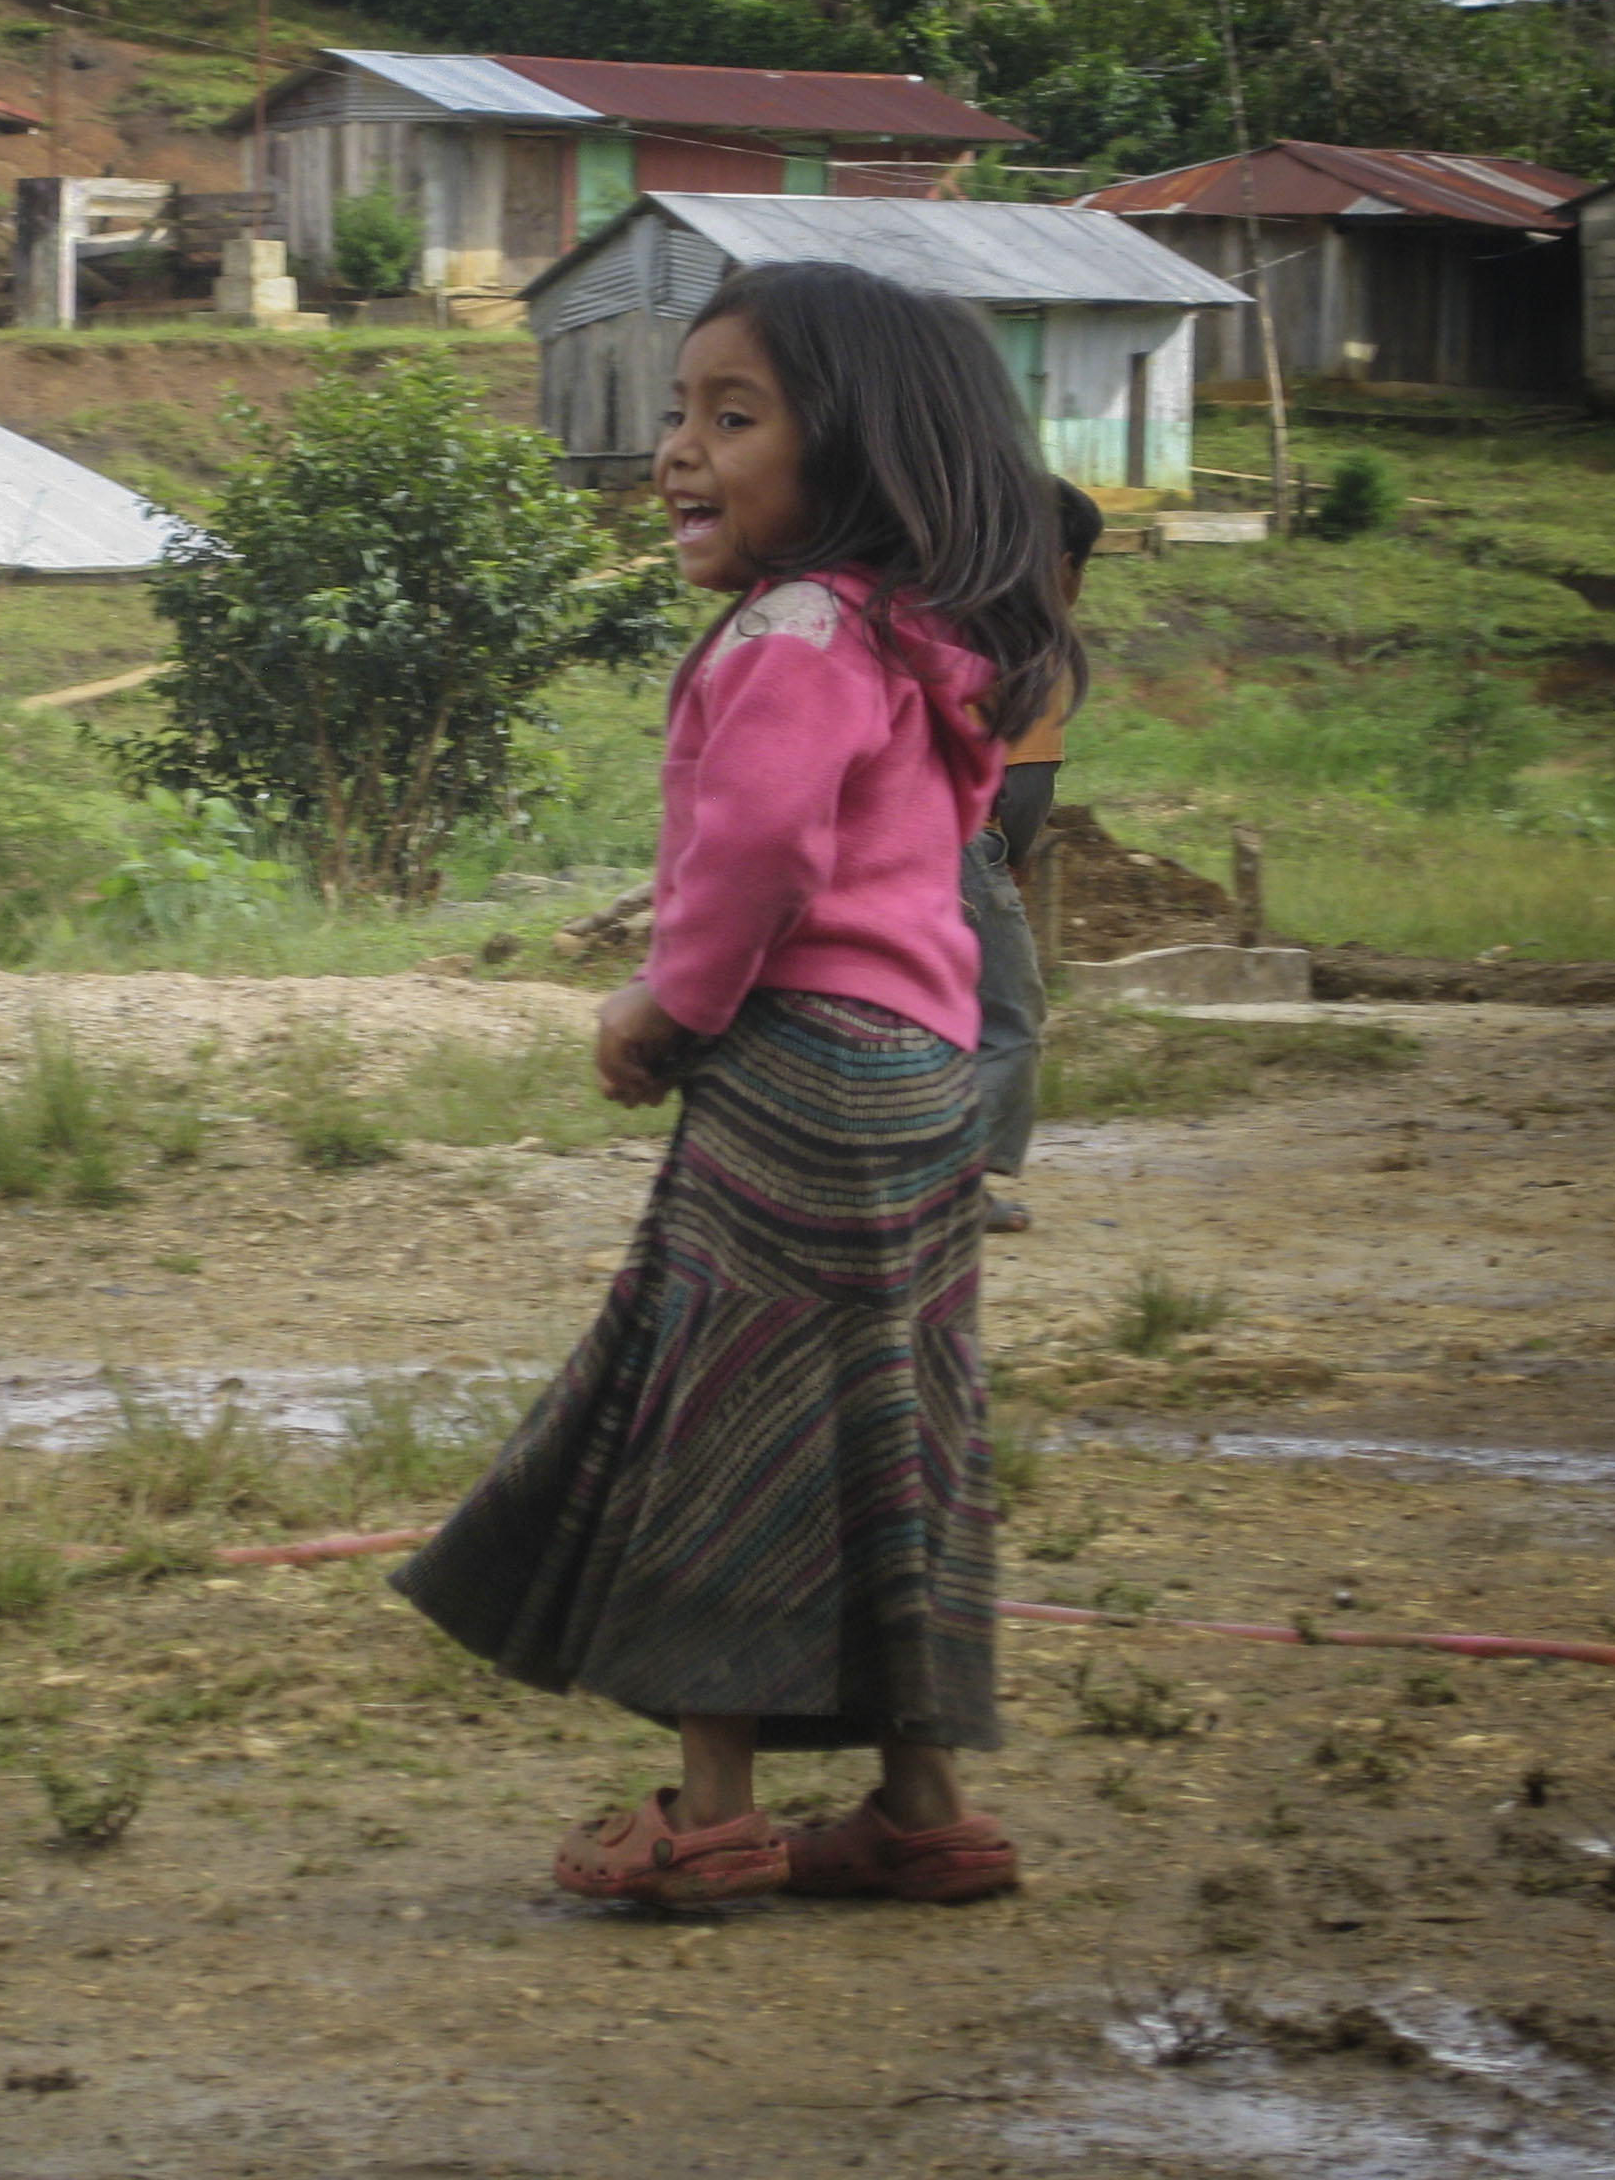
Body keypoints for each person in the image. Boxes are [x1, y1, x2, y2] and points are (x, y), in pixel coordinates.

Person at [391, 262, 1085, 1908]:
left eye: (731, 414)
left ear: (847, 451)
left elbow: (760, 849)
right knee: (892, 1419)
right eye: (674, 414)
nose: (677, 453)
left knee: (722, 1413)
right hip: (922, 1083)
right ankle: (918, 1800)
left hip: (797, 1069)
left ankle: (708, 1808)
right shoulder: (920, 645)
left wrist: (664, 1004)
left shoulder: (789, 634)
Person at [968, 478, 1102, 1234]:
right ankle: (958, 1191)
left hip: (876, 841)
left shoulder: (936, 608)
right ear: (1060, 562)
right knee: (1010, 1015)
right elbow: (1025, 787)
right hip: (958, 845)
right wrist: (1009, 858)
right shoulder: (1033, 635)